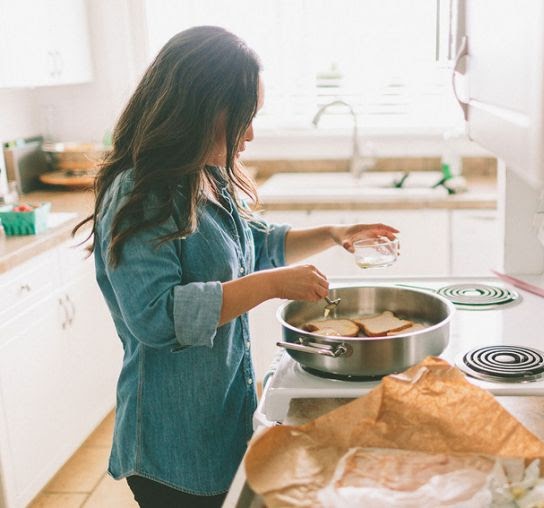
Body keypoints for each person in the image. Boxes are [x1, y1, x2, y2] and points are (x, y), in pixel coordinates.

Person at [73, 26, 398, 508]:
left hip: (222, 418)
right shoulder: (138, 193)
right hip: (172, 442)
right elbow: (158, 318)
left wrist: (334, 233)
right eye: (244, 118)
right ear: (200, 110)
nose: (250, 134)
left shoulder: (205, 174)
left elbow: (254, 243)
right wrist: (270, 286)